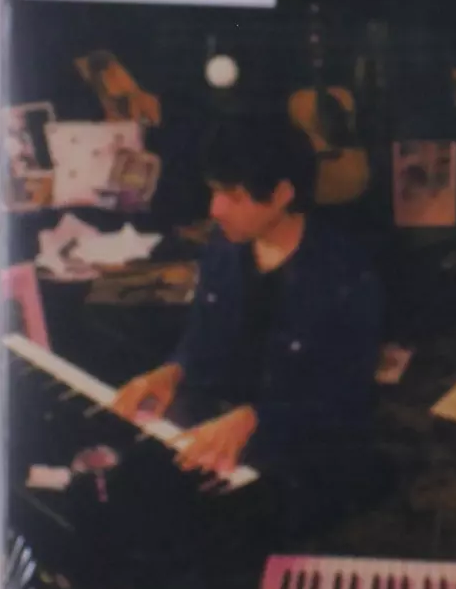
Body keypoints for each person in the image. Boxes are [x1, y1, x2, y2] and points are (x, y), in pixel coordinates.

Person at [112, 113, 383, 483]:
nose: (215, 209)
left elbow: (345, 400)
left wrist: (255, 419)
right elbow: (200, 340)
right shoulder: (222, 247)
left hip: (300, 453)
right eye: (215, 191)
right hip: (218, 427)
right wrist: (171, 372)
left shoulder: (345, 274)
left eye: (233, 196)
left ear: (282, 194)